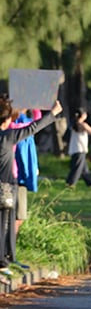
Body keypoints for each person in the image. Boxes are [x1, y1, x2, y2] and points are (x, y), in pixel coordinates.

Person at [0, 99, 62, 278]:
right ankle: (4, 261)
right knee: (6, 224)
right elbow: (32, 128)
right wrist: (53, 113)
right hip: (6, 188)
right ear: (5, 121)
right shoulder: (8, 136)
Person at [65, 108, 91, 188]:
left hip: (75, 148)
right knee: (77, 168)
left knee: (84, 169)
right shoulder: (82, 124)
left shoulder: (74, 123)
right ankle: (70, 183)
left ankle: (90, 183)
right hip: (80, 149)